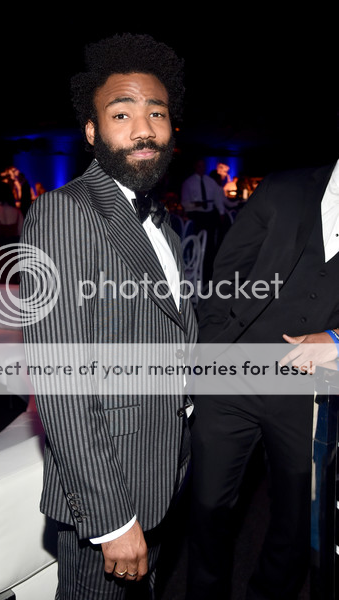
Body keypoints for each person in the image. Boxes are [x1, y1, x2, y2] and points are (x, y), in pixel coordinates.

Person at [20, 33, 197, 600]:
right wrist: (111, 520)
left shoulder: (162, 223)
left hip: (159, 471)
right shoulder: (64, 213)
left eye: (156, 113)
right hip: (110, 492)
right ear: (92, 132)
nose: (144, 129)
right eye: (122, 114)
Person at [187, 160, 339, 599]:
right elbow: (226, 271)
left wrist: (336, 338)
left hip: (308, 391)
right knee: (208, 507)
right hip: (233, 376)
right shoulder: (283, 187)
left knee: (296, 521)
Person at [181, 157, 226, 279]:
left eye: (203, 166)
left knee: (210, 244)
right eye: (199, 166)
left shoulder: (210, 182)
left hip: (209, 215)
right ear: (195, 167)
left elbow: (218, 199)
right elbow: (184, 203)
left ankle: (208, 272)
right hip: (196, 215)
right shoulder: (188, 182)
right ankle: (196, 268)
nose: (201, 168)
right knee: (197, 243)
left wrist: (221, 212)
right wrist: (195, 204)